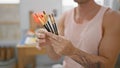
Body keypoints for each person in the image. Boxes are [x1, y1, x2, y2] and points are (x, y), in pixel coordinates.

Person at [36, 0, 120, 68]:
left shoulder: (112, 17)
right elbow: (55, 57)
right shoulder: (65, 16)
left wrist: (73, 52)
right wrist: (49, 43)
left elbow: (107, 65)